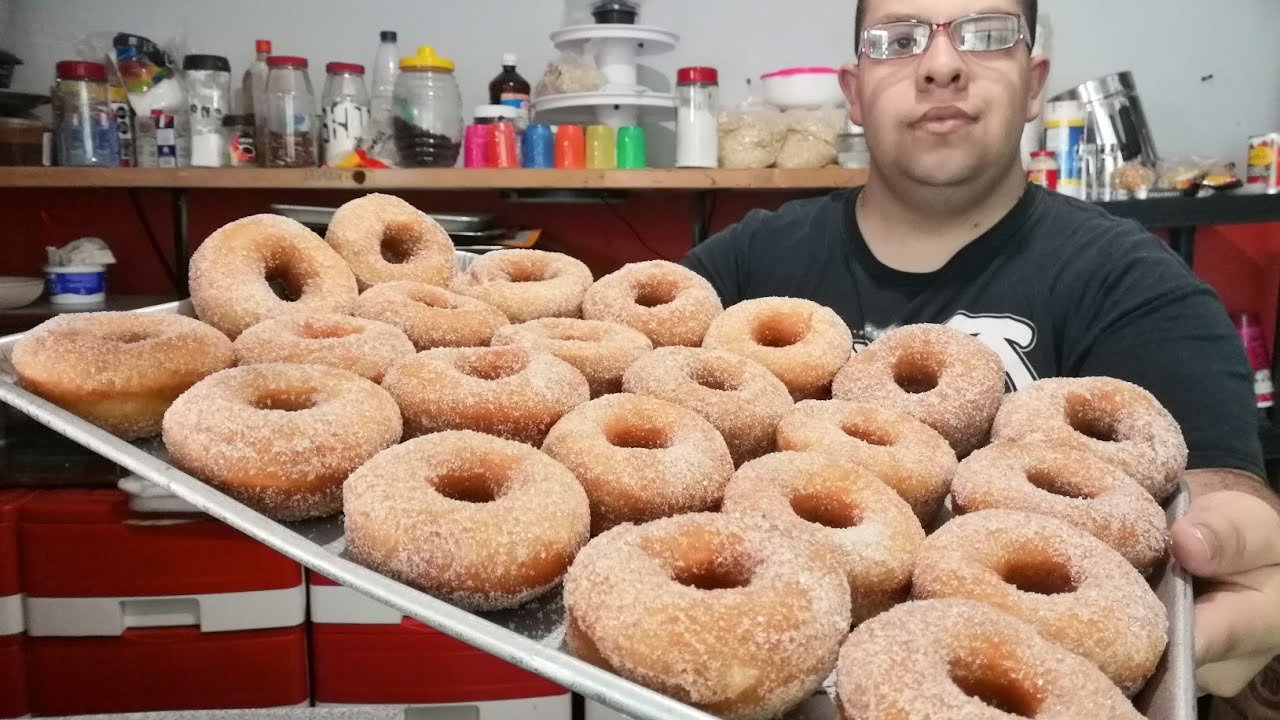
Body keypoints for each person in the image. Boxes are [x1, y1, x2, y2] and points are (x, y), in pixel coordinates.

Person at [684, 0, 1280, 702]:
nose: (941, 64)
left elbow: (1215, 500)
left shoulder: (1134, 287)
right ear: (853, 92)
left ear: (1033, 83)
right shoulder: (742, 266)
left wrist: (1233, 568)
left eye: (987, 35)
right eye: (898, 39)